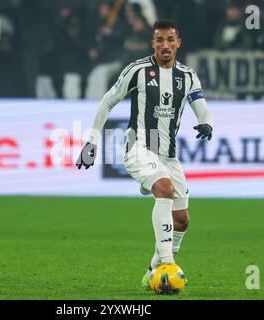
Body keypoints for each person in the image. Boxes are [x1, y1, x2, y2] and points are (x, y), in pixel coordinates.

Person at [76, 19, 214, 292]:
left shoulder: (187, 76)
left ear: (178, 43)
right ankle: (167, 265)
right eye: (159, 40)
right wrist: (91, 140)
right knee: (164, 189)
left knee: (182, 220)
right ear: (153, 43)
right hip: (138, 146)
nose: (165, 45)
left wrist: (206, 121)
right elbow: (108, 101)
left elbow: (200, 103)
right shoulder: (137, 71)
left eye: (170, 40)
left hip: (169, 155)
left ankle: (152, 270)